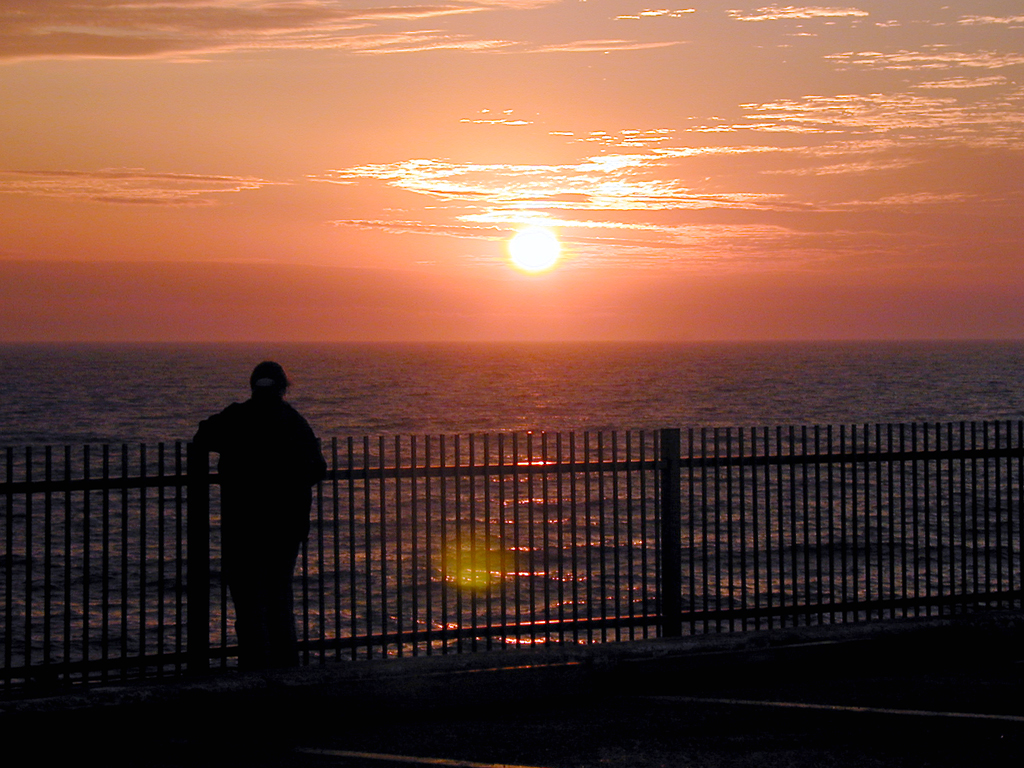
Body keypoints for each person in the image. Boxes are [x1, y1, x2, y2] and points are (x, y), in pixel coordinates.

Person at [193, 361, 327, 670]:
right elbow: (316, 467)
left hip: (243, 525)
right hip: (285, 526)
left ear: (253, 386)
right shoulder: (293, 422)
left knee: (248, 601)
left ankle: (254, 667)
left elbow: (203, 436)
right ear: (283, 387)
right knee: (279, 598)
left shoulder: (236, 418)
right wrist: (288, 483)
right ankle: (285, 669)